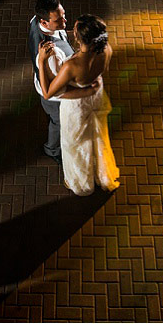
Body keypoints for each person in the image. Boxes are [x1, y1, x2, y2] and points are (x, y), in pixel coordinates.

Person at [37, 14, 119, 195]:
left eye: (74, 30)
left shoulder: (72, 66)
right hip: (96, 97)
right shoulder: (105, 50)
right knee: (96, 137)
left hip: (78, 108)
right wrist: (90, 89)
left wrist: (42, 61)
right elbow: (101, 73)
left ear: (80, 37)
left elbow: (48, 92)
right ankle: (100, 173)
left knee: (76, 143)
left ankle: (82, 182)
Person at [27, 0, 100, 166]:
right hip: (55, 99)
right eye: (58, 19)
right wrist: (87, 92)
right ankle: (52, 149)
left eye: (63, 15)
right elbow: (56, 90)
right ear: (44, 21)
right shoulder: (50, 54)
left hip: (48, 78)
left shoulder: (34, 21)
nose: (64, 20)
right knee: (58, 121)